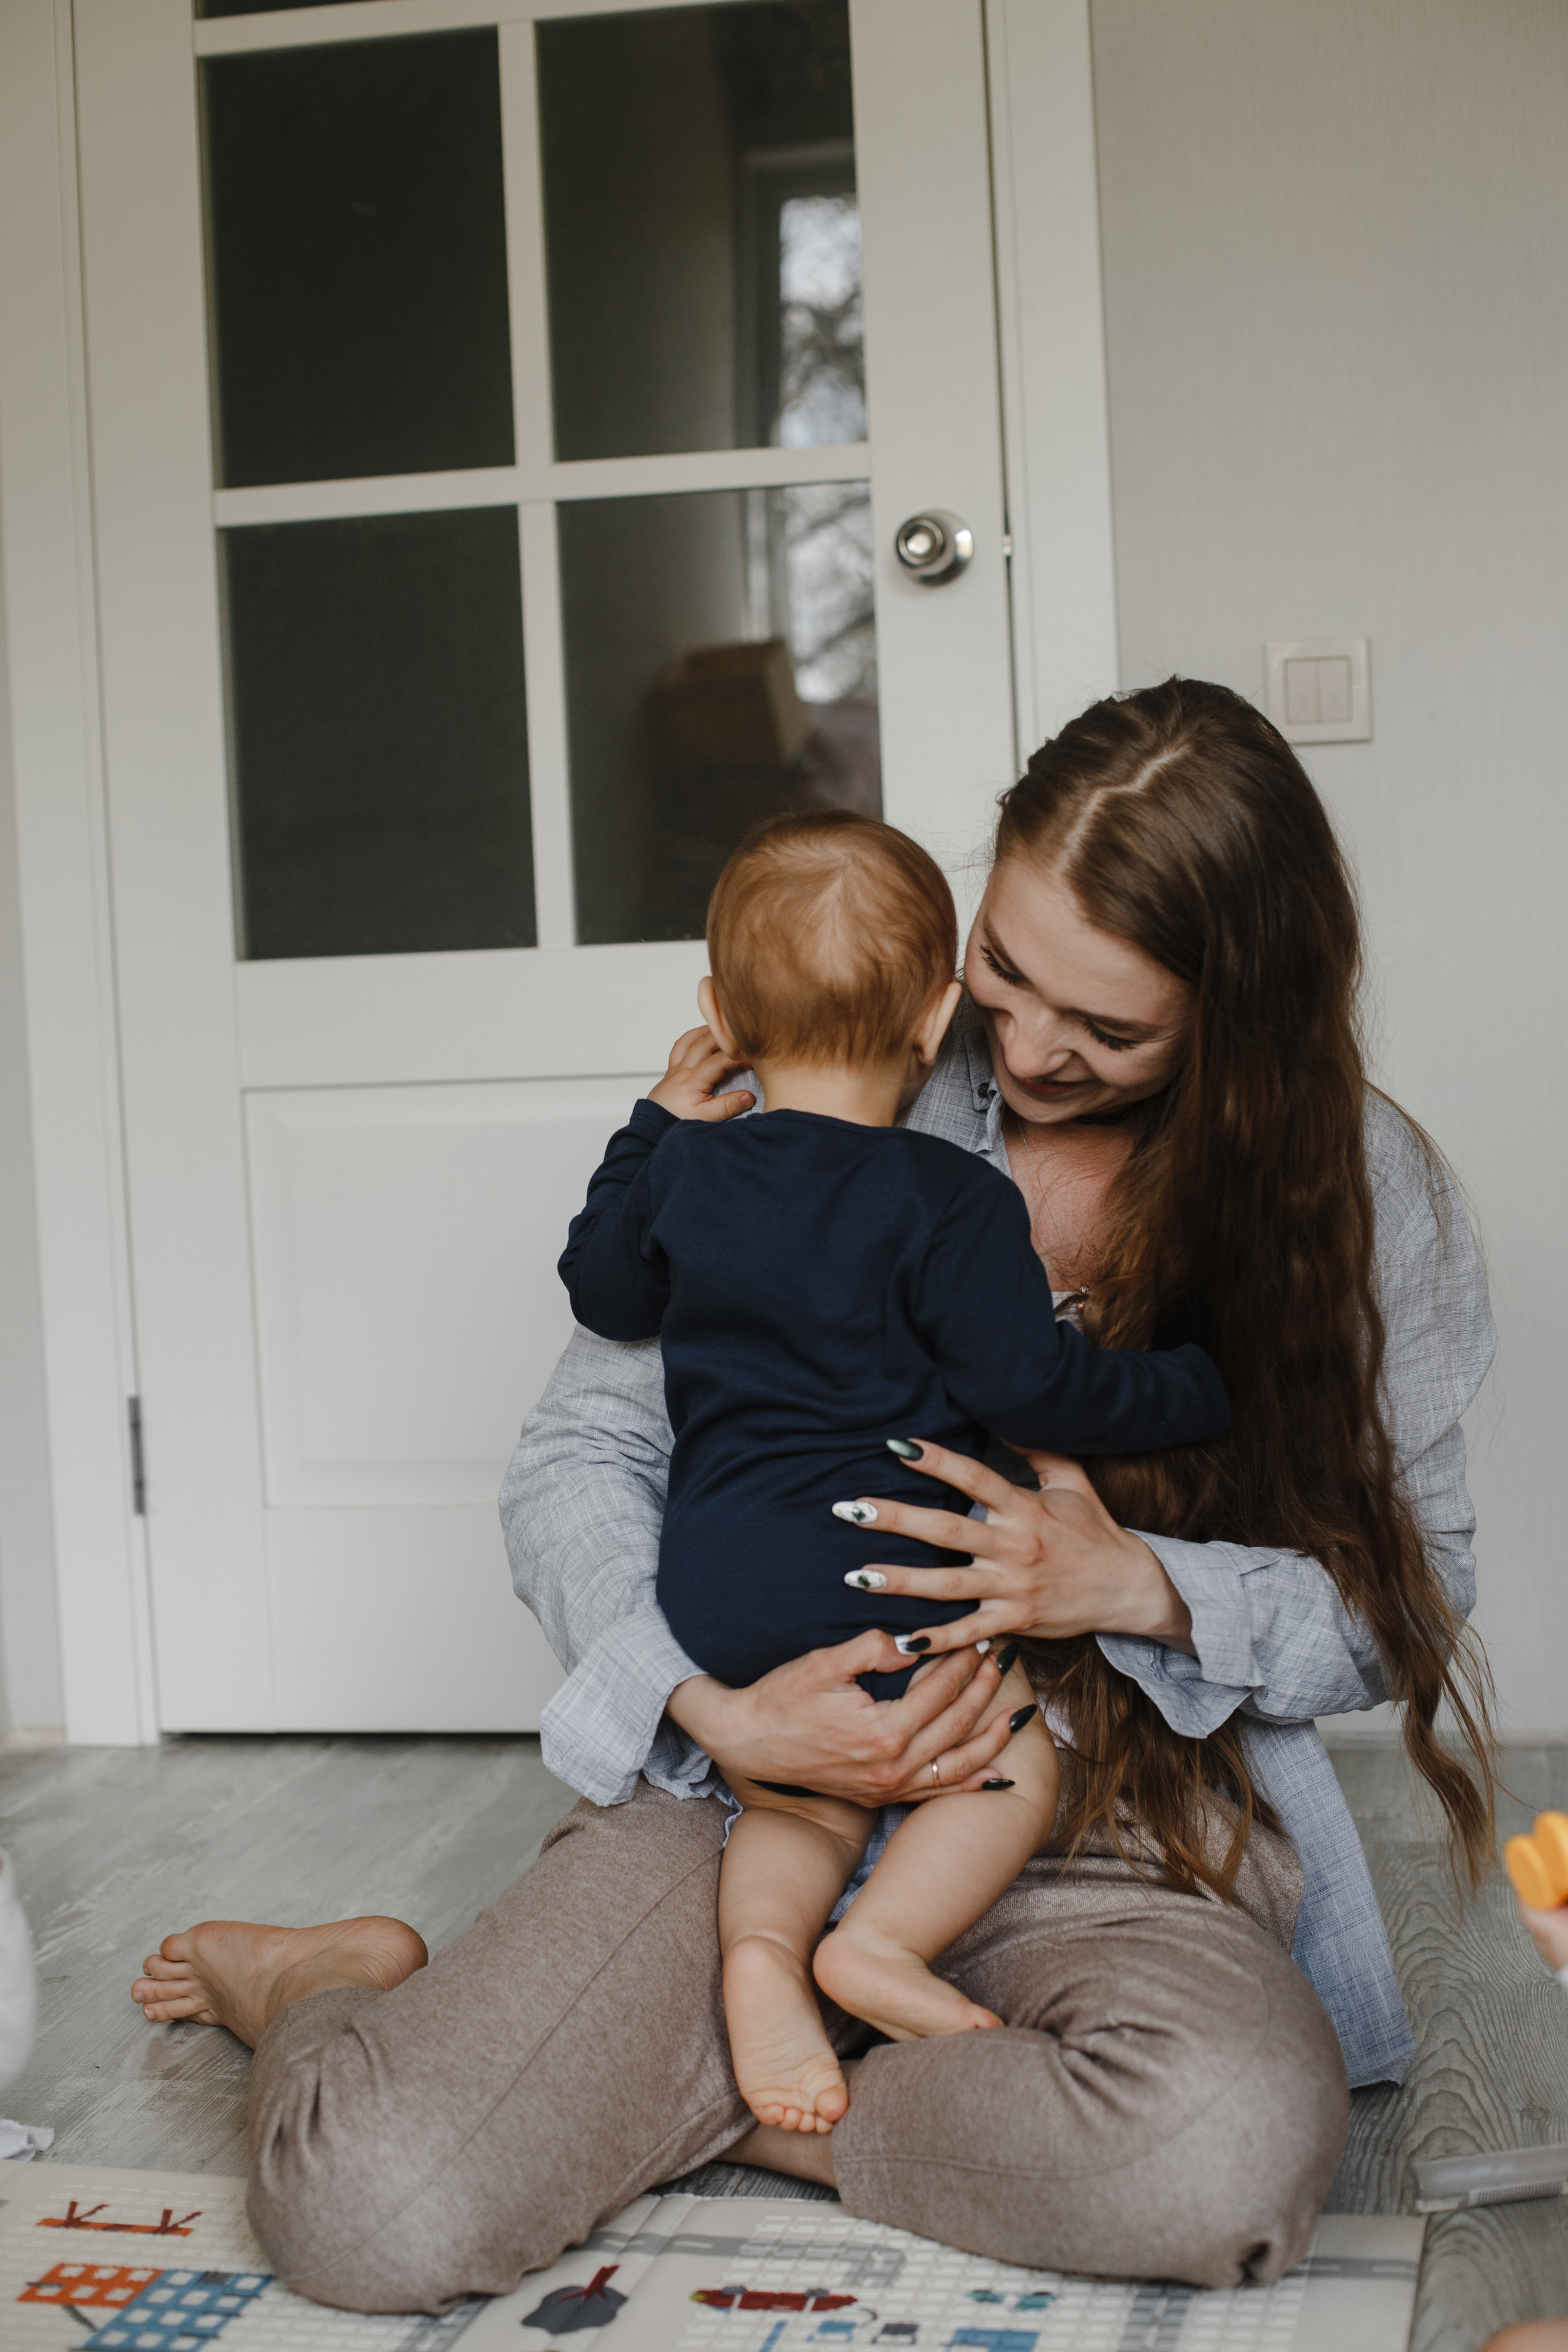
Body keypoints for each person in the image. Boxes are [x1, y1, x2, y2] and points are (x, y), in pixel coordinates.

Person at [130, 679, 1496, 2312]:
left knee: (1218, 2147)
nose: (1035, 1051)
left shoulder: (1359, 1194)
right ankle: (329, 1986)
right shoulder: (837, 1074)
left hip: (1119, 1822)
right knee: (374, 2208)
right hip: (763, 1800)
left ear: (1240, 1016)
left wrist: (1132, 1585)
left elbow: (1407, 1607)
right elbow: (581, 1454)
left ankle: (716, 2098)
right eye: (1002, 971)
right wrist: (716, 1711)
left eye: (1113, 1030)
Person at [558, 812, 1229, 2135]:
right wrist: (1191, 1384)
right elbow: (1029, 1389)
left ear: (718, 1013)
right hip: (888, 1569)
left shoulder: (687, 1170)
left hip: (718, 1588)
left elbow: (601, 1290)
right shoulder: (949, 1198)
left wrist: (645, 1129)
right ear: (936, 1019)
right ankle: (875, 1948)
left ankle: (761, 1960)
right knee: (999, 1767)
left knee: (792, 1794)